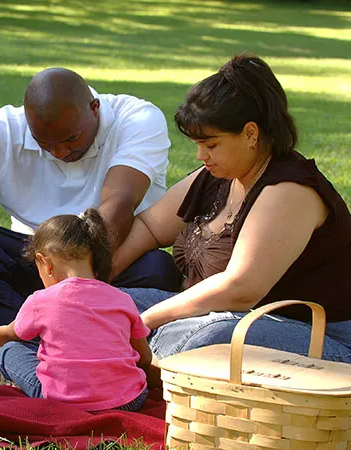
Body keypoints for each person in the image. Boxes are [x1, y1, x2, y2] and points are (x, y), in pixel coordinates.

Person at [0, 67, 182, 329]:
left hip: (103, 260)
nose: (59, 152)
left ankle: (25, 322)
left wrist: (76, 284)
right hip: (31, 257)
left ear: (94, 108)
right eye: (45, 143)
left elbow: (118, 205)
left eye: (70, 139)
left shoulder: (137, 118)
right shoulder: (4, 129)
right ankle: (30, 323)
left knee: (157, 269)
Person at [112, 54, 351, 366]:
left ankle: (123, 365)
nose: (200, 156)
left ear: (251, 134)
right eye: (197, 145)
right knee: (107, 306)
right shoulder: (218, 175)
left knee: (202, 339)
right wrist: (95, 282)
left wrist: (145, 321)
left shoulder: (290, 190)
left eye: (211, 145)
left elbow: (241, 289)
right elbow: (150, 227)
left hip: (320, 336)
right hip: (224, 316)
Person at [0, 208, 153, 412]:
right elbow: (145, 358)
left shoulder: (41, 300)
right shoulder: (122, 299)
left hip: (64, 402)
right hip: (128, 401)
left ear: (45, 263)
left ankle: (17, 380)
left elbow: (5, 335)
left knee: (11, 350)